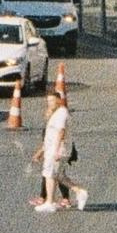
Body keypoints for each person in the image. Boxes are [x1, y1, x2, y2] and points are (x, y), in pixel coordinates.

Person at [35, 81, 76, 212]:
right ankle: (49, 199)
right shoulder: (53, 113)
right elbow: (49, 137)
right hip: (52, 149)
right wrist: (40, 152)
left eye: (52, 100)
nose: (50, 103)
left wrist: (57, 150)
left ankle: (51, 200)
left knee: (52, 174)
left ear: (59, 100)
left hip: (57, 150)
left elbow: (61, 132)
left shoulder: (61, 112)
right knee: (55, 175)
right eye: (48, 101)